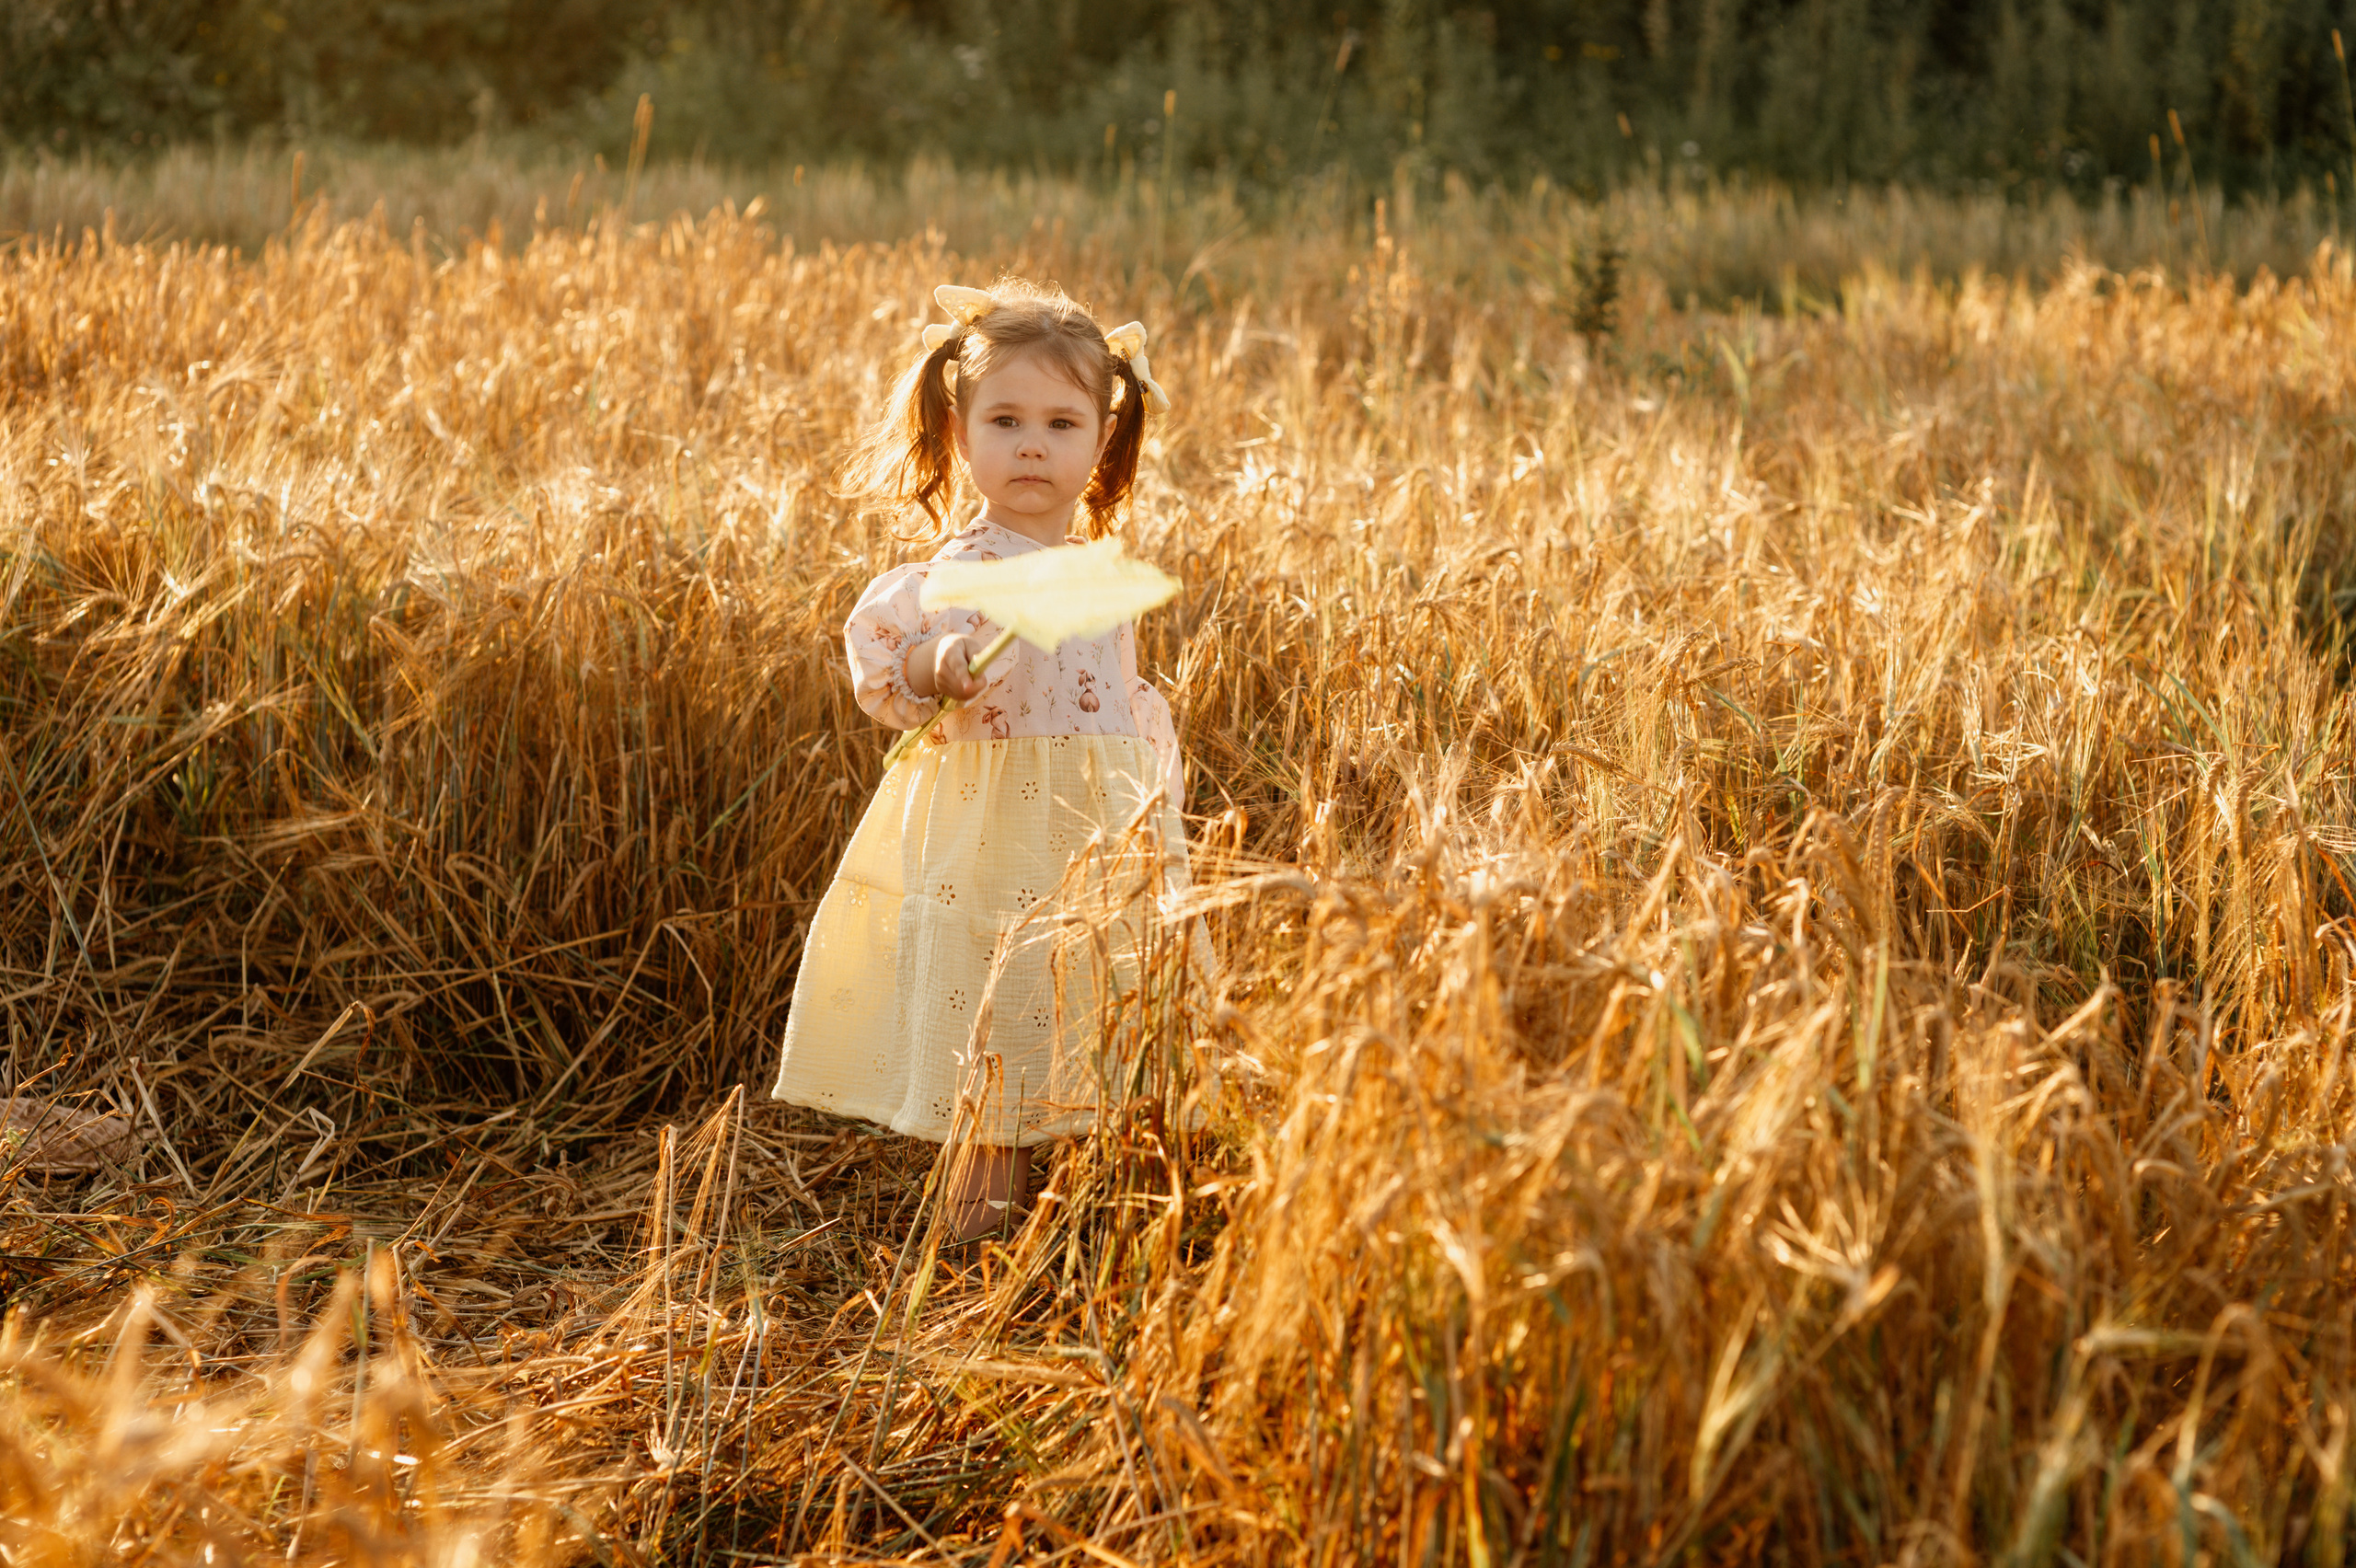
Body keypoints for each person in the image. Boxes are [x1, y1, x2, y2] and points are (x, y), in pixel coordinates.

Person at [771, 279, 1192, 1243]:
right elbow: (893, 664)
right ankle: (972, 1254)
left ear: (1102, 441)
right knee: (999, 1043)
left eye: (1060, 424)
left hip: (1091, 840)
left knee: (1099, 1028)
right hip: (992, 845)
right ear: (962, 436)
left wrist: (1155, 809)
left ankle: (1097, 1243)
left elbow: (1123, 708)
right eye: (1005, 421)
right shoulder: (956, 572)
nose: (1032, 445)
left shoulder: (1095, 573)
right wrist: (944, 664)